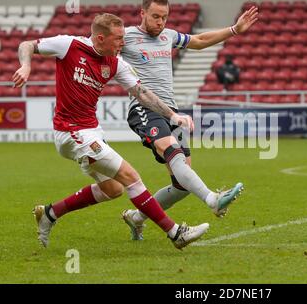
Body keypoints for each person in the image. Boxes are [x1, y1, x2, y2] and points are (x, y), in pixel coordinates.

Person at [12, 13, 209, 249]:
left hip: (92, 130)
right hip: (70, 131)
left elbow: (142, 93)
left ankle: (50, 213)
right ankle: (176, 233)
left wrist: (173, 115)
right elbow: (27, 45)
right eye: (118, 39)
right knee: (131, 177)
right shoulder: (69, 45)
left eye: (124, 38)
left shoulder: (115, 63)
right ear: (101, 38)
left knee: (113, 189)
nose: (122, 43)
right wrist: (26, 65)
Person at [119, 0, 257, 241]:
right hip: (144, 108)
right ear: (142, 13)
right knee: (173, 153)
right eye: (155, 17)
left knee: (182, 185)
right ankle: (212, 199)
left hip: (172, 112)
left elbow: (201, 40)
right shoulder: (126, 36)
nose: (160, 22)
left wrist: (235, 29)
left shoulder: (168, 36)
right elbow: (94, 46)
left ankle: (136, 217)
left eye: (164, 17)